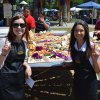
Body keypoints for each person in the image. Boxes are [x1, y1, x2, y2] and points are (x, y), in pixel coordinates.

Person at [0, 15, 32, 100]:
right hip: (6, 82)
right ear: (11, 27)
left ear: (25, 27)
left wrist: (27, 66)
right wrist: (3, 54)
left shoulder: (24, 42)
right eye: (15, 25)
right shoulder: (4, 42)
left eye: (22, 25)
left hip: (19, 80)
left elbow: (22, 60)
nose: (19, 27)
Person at [68, 21, 100, 100]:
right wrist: (70, 63)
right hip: (77, 81)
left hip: (89, 83)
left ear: (86, 32)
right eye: (76, 30)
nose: (78, 33)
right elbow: (78, 61)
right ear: (73, 32)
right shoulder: (73, 45)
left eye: (81, 30)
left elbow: (98, 70)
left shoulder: (91, 47)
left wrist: (95, 59)